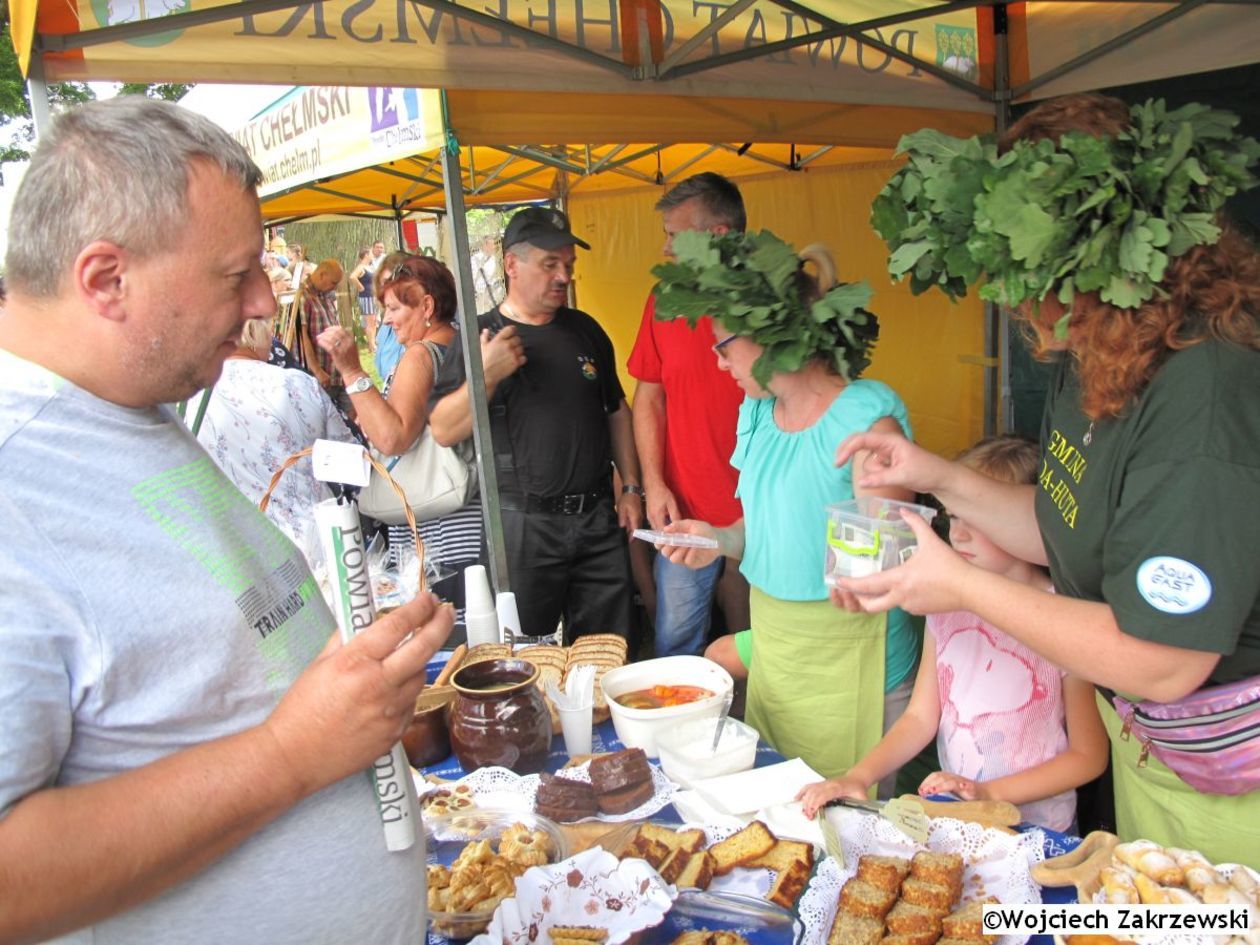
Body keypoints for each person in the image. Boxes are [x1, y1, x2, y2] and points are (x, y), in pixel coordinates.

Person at [0, 96, 452, 944]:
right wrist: (288, 753)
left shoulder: (132, 400)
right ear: (104, 280)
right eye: (232, 273)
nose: (259, 303)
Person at [834, 92, 1260, 862]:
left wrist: (962, 586)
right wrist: (938, 476)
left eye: (1026, 268)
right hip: (1155, 762)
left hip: (1237, 794)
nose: (1010, 296)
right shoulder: (1095, 351)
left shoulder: (1203, 397)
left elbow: (1165, 658)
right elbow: (1065, 524)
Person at [656, 233, 919, 790]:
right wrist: (720, 540)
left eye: (723, 345)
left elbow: (875, 579)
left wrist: (750, 648)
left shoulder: (864, 423)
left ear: (768, 335)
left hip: (854, 668)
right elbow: (773, 529)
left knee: (851, 833)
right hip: (782, 659)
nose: (717, 359)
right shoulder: (757, 413)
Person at [798, 436, 1109, 829]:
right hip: (958, 819)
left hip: (1039, 831)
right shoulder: (943, 604)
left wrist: (990, 794)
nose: (957, 534)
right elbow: (919, 718)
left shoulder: (1061, 615)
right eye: (954, 517)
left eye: (976, 521)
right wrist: (859, 776)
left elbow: (1088, 755)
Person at [429, 206, 642, 642]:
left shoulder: (586, 330)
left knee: (607, 653)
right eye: (550, 265)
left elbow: (616, 410)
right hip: (521, 527)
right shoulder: (479, 336)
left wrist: (632, 488)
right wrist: (488, 374)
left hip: (597, 520)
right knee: (520, 658)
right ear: (511, 265)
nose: (564, 276)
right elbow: (443, 429)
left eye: (569, 265)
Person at [317, 255, 484, 624]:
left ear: (427, 305)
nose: (388, 320)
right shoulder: (460, 347)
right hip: (469, 523)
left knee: (441, 641)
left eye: (393, 308)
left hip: (433, 532)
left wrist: (350, 369)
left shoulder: (421, 355)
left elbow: (393, 437)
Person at [628, 172, 750, 658]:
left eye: (675, 235)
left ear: (716, 236)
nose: (665, 248)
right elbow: (648, 397)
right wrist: (654, 483)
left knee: (757, 648)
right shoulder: (663, 301)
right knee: (675, 643)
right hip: (683, 508)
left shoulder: (770, 303)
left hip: (756, 515)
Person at [189, 317, 358, 567]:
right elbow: (352, 462)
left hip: (238, 552)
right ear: (254, 333)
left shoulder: (191, 397)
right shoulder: (296, 383)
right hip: (321, 544)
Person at [298, 257, 346, 406]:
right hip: (322, 377)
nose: (335, 287)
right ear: (322, 275)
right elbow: (302, 337)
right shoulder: (302, 297)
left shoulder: (325, 297)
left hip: (338, 374)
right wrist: (317, 370)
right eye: (333, 283)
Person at [350, 247, 378, 350]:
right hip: (366, 297)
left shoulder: (369, 267)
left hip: (373, 296)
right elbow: (352, 277)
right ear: (366, 255)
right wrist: (360, 287)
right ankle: (371, 344)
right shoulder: (361, 267)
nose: (372, 255)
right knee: (369, 322)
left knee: (374, 321)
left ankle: (373, 342)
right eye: (371, 253)